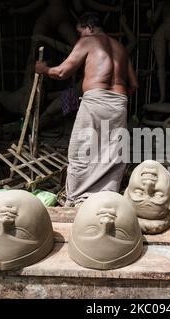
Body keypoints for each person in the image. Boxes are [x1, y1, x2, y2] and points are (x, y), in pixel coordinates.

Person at [35, 12, 139, 207]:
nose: (80, 37)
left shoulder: (88, 41)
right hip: (119, 103)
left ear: (89, 28)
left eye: (80, 32)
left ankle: (75, 198)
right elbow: (133, 84)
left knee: (80, 149)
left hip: (95, 100)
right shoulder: (121, 48)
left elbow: (62, 72)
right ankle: (105, 197)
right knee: (111, 153)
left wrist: (43, 69)